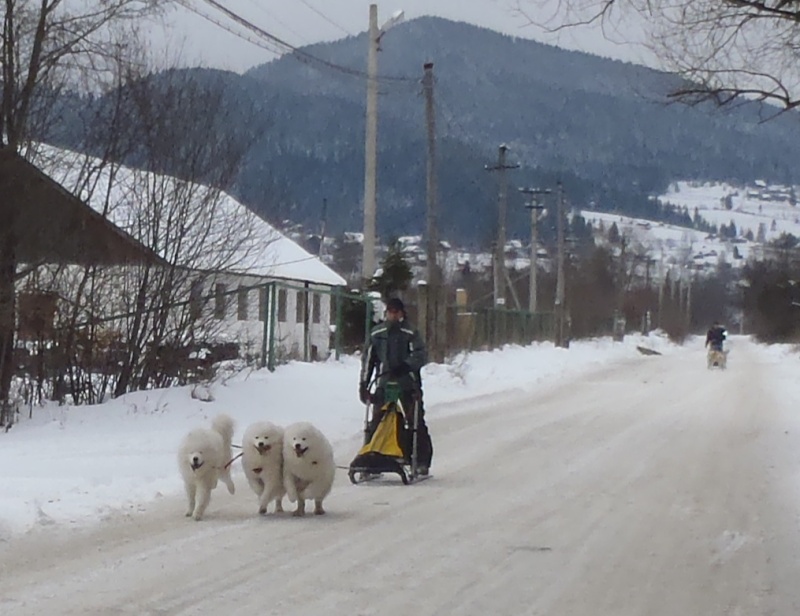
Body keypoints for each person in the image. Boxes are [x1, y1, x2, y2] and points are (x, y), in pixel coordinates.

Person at [359, 297, 433, 474]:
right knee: (378, 420)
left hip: (408, 385)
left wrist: (406, 366)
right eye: (390, 312)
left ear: (402, 313)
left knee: (414, 421)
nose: (393, 315)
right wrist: (364, 384)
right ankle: (372, 459)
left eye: (396, 312)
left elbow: (420, 355)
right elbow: (368, 360)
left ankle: (420, 460)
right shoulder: (377, 334)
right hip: (384, 384)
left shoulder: (410, 332)